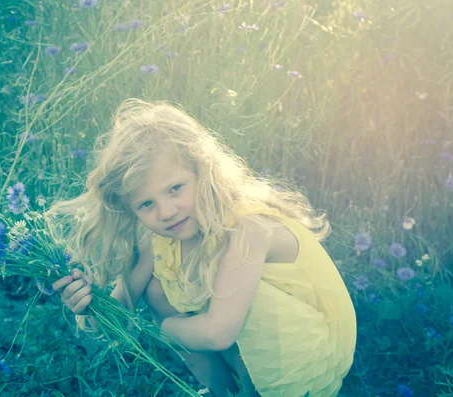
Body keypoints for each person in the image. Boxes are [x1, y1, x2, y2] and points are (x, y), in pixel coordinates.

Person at [49, 98, 357, 397]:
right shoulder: (156, 240)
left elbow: (218, 332)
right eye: (146, 204)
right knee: (156, 287)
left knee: (243, 304)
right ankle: (227, 392)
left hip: (300, 370)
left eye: (174, 189)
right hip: (246, 351)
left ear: (203, 170)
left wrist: (166, 329)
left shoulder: (249, 228)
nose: (166, 212)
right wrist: (87, 309)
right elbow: (113, 316)